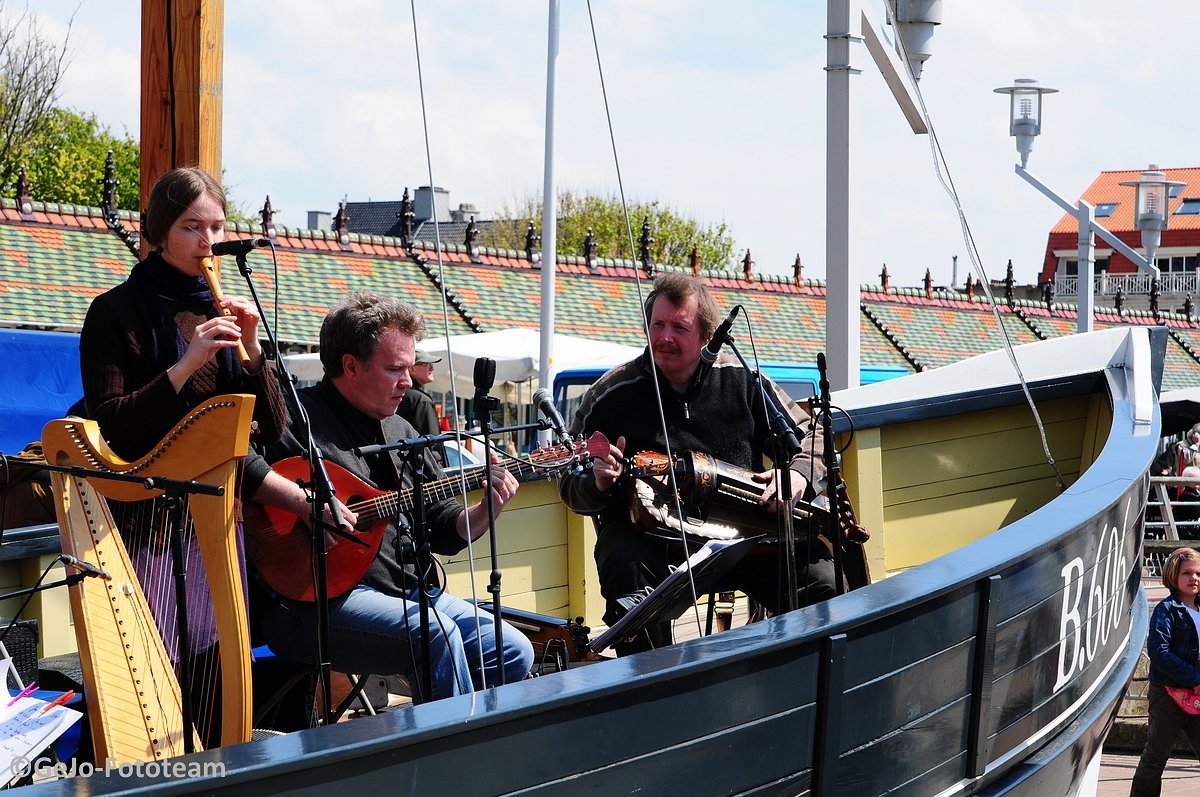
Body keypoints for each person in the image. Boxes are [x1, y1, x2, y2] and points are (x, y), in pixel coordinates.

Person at [78, 166, 287, 744]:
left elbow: (272, 430)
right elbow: (113, 422)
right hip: (145, 521)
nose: (208, 242)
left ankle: (222, 763)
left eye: (217, 227)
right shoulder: (115, 312)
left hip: (216, 522)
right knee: (157, 678)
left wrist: (252, 353)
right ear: (160, 231)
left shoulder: (225, 308)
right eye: (193, 227)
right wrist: (186, 363)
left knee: (218, 672)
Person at [248, 291, 534, 703]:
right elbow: (239, 461)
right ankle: (455, 756)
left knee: (511, 650)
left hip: (406, 590)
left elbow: (444, 529)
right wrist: (304, 504)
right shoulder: (293, 418)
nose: (408, 380)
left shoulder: (402, 432)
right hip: (312, 601)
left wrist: (487, 509)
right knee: (436, 635)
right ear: (350, 365)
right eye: (395, 369)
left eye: (409, 367)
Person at [556, 272, 840, 656]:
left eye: (679, 327)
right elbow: (568, 482)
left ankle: (802, 681)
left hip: (744, 533)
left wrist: (798, 473)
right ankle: (652, 690)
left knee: (822, 579)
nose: (664, 337)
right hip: (650, 541)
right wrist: (597, 484)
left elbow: (815, 434)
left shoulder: (743, 380)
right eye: (657, 325)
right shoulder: (610, 395)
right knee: (625, 576)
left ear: (707, 336)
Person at [1130, 547, 1200, 796]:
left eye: (1198, 573)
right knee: (1155, 757)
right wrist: (1194, 678)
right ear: (1173, 575)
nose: (1194, 578)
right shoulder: (1167, 610)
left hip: (1198, 695)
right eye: (1187, 573)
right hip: (1168, 696)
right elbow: (1159, 651)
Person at [396, 349, 445, 466]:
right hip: (424, 470)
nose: (432, 368)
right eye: (427, 364)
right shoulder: (422, 400)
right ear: (412, 368)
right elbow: (432, 446)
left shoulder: (396, 394)